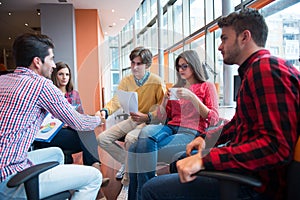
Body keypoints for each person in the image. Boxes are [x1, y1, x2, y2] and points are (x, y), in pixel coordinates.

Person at [141, 8, 300, 200]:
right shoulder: (255, 70)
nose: (219, 46)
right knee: (180, 161)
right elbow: (239, 123)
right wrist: (206, 138)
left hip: (253, 184)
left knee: (151, 189)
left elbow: (275, 147)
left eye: (224, 38)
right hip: (245, 173)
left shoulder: (265, 69)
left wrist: (206, 160)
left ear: (244, 37)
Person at [0, 33, 103, 200]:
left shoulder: (3, 80)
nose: (54, 65)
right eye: (51, 59)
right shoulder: (41, 85)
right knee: (94, 178)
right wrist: (98, 118)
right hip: (8, 178)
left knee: (56, 153)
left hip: (10, 159)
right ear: (37, 62)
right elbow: (81, 123)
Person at [128, 49, 219, 200]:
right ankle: (139, 195)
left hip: (190, 132)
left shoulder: (206, 86)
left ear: (194, 65)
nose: (180, 70)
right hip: (169, 128)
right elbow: (162, 117)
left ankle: (143, 194)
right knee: (136, 146)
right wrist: (164, 101)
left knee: (137, 147)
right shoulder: (176, 88)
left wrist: (193, 98)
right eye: (178, 67)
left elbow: (214, 118)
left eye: (185, 66)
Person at [96, 46, 165, 186]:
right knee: (102, 139)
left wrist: (147, 116)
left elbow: (162, 109)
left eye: (138, 63)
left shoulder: (157, 82)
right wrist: (105, 111)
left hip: (150, 122)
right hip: (133, 120)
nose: (134, 67)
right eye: (133, 63)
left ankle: (127, 184)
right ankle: (129, 163)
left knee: (130, 138)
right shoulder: (126, 81)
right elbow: (116, 100)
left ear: (147, 65)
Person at [33, 61, 109, 186]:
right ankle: (95, 171)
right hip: (53, 132)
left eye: (67, 75)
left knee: (86, 131)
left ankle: (94, 171)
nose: (64, 78)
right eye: (61, 74)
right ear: (55, 76)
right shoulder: (49, 92)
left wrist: (75, 121)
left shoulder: (74, 94)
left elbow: (81, 115)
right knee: (87, 136)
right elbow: (44, 119)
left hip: (71, 128)